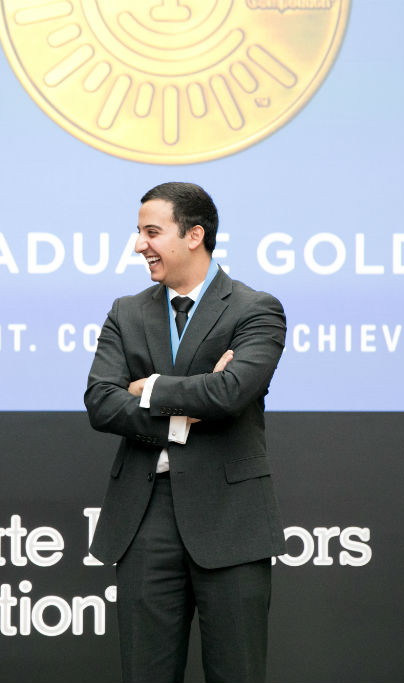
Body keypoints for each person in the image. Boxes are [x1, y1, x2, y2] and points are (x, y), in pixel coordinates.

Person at [84, 182, 287, 682]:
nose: (139, 245)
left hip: (230, 520)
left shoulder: (255, 308)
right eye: (138, 233)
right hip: (144, 516)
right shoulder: (126, 311)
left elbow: (232, 392)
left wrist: (150, 388)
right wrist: (184, 410)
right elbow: (101, 403)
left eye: (152, 232)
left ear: (195, 235)